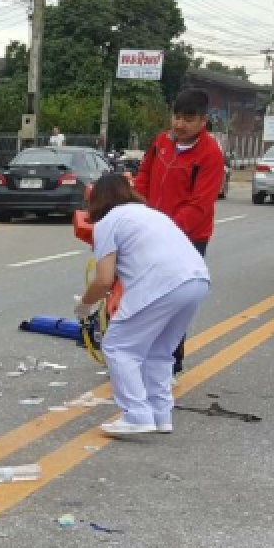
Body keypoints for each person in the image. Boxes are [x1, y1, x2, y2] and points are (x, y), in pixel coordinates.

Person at [75, 172, 210, 438]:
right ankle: (161, 415)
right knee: (159, 352)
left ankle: (136, 415)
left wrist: (84, 305)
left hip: (161, 285)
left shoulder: (108, 223)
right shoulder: (152, 214)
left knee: (118, 347)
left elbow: (103, 279)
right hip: (196, 279)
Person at [132, 88, 225, 375]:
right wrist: (135, 212)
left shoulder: (210, 155)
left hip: (188, 238)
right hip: (150, 232)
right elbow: (144, 177)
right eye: (176, 116)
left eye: (188, 118)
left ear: (203, 121)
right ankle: (136, 357)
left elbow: (200, 205)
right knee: (141, 295)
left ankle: (171, 361)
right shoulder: (161, 142)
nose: (180, 124)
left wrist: (166, 231)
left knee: (173, 301)